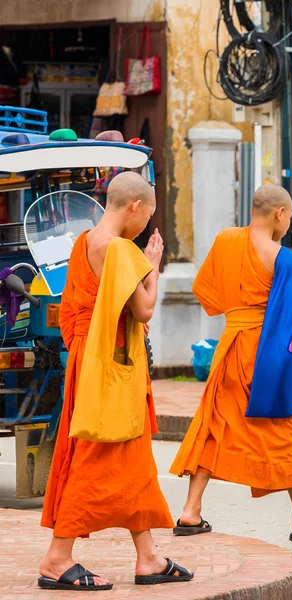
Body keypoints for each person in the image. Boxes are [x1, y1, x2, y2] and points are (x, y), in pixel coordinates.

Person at [39, 171, 193, 591]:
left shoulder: (84, 242)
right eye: (148, 219)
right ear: (135, 208)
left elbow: (74, 309)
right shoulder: (122, 249)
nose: (145, 228)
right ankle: (57, 558)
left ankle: (149, 558)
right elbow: (142, 310)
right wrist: (155, 267)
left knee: (130, 458)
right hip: (111, 366)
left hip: (89, 358)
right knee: (96, 456)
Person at [170, 184, 292, 548]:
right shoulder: (286, 260)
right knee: (282, 434)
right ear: (279, 213)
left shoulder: (225, 240)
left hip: (230, 349)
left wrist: (240, 309)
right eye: (289, 216)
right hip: (266, 356)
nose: (288, 223)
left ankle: (190, 511)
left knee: (214, 426)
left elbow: (208, 295)